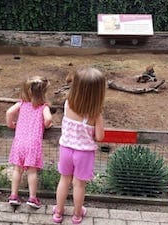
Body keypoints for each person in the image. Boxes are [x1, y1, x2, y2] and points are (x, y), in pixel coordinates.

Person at [53, 67, 106, 224]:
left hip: (66, 149)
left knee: (64, 180)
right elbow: (100, 136)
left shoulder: (68, 104)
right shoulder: (96, 114)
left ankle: (58, 212)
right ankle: (77, 215)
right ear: (98, 93)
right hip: (84, 153)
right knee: (79, 184)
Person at [6, 76, 53, 209]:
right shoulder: (43, 107)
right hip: (33, 143)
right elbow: (48, 119)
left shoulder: (21, 104)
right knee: (32, 171)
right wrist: (46, 125)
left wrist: (10, 124)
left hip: (19, 142)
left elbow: (9, 112)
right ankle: (32, 198)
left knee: (17, 169)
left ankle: (14, 195)